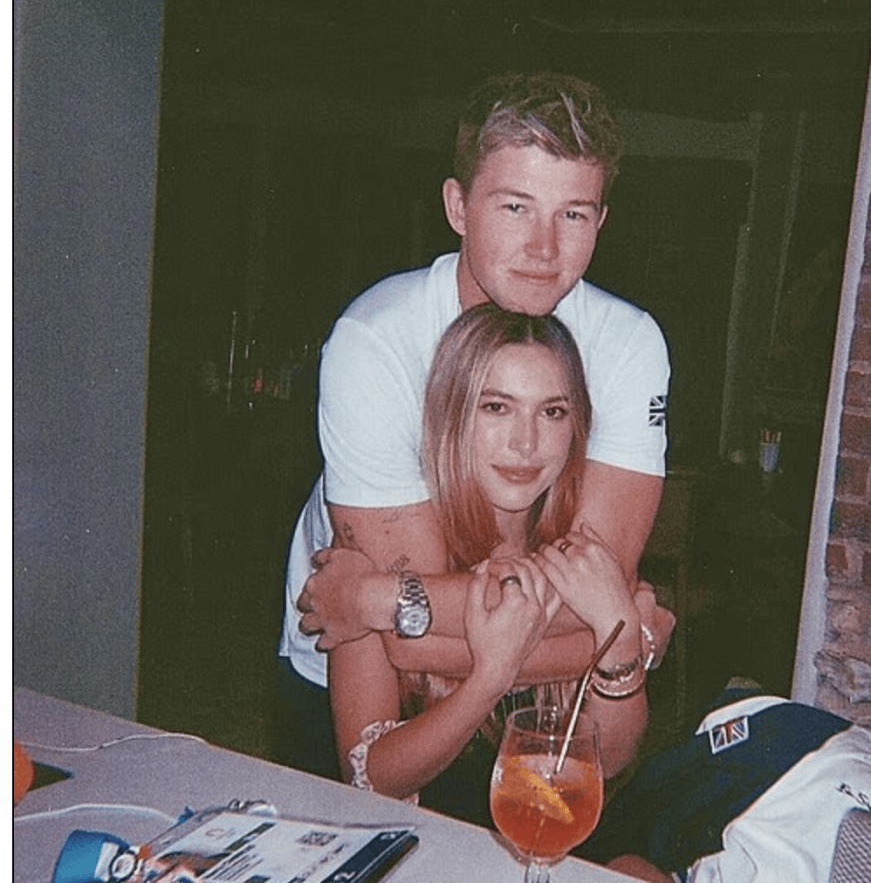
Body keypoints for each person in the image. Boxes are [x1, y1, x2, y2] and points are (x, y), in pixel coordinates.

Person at [276, 71, 673, 780]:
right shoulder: (377, 340)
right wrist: (621, 640)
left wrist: (373, 599)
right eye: (516, 206)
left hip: (519, 687)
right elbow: (412, 652)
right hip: (357, 676)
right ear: (457, 206)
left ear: (602, 221)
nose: (544, 249)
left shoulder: (626, 344)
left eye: (573, 214)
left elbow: (586, 584)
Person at [330, 304, 649, 824]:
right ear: (451, 417)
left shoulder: (580, 557)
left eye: (553, 412)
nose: (525, 443)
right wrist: (490, 678)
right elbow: (372, 778)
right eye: (497, 407)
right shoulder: (385, 550)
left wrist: (626, 637)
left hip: (543, 839)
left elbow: (609, 762)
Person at [582, 682, 871, 883]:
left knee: (607, 843)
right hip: (779, 752)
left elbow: (623, 864)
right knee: (614, 831)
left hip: (807, 757)